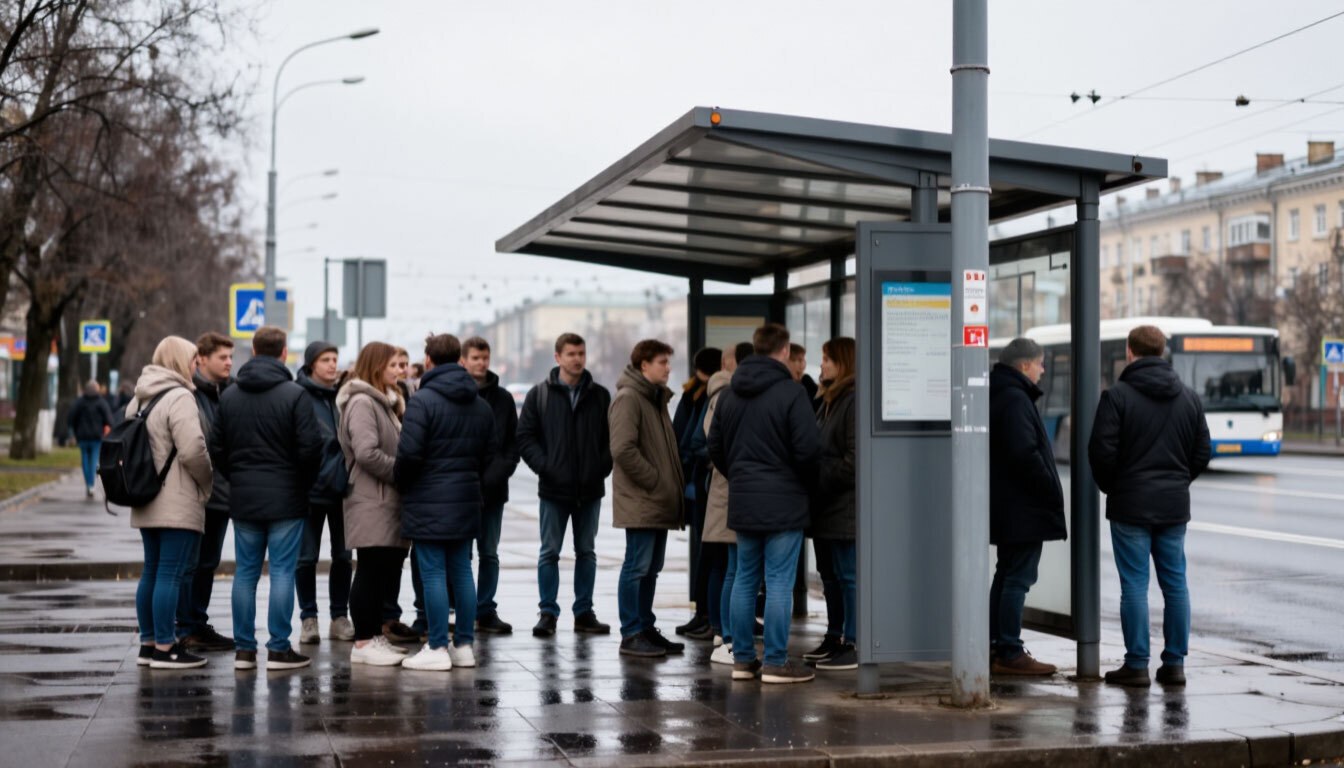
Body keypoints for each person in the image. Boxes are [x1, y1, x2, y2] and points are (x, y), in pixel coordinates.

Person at [1089, 325, 1210, 688]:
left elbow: (1100, 452)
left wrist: (1118, 488)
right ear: (1162, 352)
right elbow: (1202, 452)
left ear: (1130, 351)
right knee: (1175, 585)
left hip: (1130, 507)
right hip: (1173, 508)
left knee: (1135, 587)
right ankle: (1174, 665)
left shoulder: (1117, 396)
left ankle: (1137, 665)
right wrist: (1177, 483)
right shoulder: (1188, 397)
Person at [709, 323, 821, 684]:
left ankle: (742, 659)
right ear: (785, 351)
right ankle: (774, 661)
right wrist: (797, 482)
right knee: (778, 582)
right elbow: (808, 450)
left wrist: (741, 477)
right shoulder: (791, 393)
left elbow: (716, 449)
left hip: (744, 501)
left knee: (744, 578)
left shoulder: (729, 394)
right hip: (784, 502)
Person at [209, 325, 323, 671]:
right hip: (287, 497)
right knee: (283, 571)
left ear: (254, 352)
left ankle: (244, 650)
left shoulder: (229, 396)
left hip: (244, 497)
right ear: (284, 353)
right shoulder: (295, 395)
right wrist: (300, 482)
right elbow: (311, 449)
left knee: (245, 572)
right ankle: (278, 648)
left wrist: (238, 477)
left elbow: (216, 448)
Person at [395, 333, 497, 671]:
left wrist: (403, 481)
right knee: (463, 572)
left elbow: (409, 455)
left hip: (428, 499)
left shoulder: (422, 401)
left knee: (433, 574)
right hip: (467, 498)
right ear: (460, 359)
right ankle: (464, 645)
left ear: (428, 361)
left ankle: (437, 646)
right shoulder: (480, 404)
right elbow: (488, 454)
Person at [517, 333, 613, 637]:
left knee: (587, 551)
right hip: (553, 490)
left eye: (581, 353)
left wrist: (600, 467)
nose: (577, 359)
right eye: (571, 354)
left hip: (589, 489)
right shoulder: (539, 395)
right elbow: (525, 437)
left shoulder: (599, 395)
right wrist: (546, 467)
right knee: (549, 552)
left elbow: (611, 439)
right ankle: (548, 612)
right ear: (557, 357)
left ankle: (584, 612)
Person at [129, 337, 214, 670]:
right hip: (177, 499)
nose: (195, 365)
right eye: (192, 359)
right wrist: (207, 481)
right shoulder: (180, 396)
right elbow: (193, 449)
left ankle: (148, 644)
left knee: (151, 571)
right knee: (170, 574)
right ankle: (166, 648)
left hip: (145, 497)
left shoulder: (139, 397)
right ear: (181, 360)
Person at [987, 337, 1067, 676]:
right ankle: (1009, 650)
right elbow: (1024, 454)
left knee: (1006, 575)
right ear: (1024, 366)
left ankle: (997, 645)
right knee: (1017, 578)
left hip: (1010, 507)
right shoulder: (1016, 399)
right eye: (1040, 363)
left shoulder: (1001, 393)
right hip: (1022, 508)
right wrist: (1049, 486)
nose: (1043, 370)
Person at [610, 340, 685, 658]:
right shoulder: (629, 398)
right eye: (661, 362)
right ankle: (631, 632)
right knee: (637, 566)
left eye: (668, 362)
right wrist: (655, 482)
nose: (668, 368)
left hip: (656, 500)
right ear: (643, 365)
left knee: (651, 567)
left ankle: (645, 626)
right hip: (643, 499)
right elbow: (623, 449)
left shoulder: (656, 399)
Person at [339, 342, 411, 667]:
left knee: (383, 572)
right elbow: (366, 452)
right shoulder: (362, 402)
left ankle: (373, 635)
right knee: (369, 570)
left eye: (401, 364)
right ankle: (364, 641)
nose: (401, 370)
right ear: (376, 366)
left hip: (386, 500)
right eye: (393, 365)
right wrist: (400, 472)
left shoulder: (386, 402)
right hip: (371, 499)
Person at [176, 332, 236, 653]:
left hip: (222, 493)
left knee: (208, 562)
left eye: (231, 357)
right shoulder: (188, 393)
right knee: (190, 562)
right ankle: (186, 625)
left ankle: (197, 621)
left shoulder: (232, 392)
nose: (229, 362)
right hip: (195, 491)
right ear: (201, 358)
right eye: (222, 357)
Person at [295, 341, 355, 645]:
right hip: (309, 490)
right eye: (325, 360)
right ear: (310, 365)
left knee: (344, 556)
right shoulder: (299, 395)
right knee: (305, 558)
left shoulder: (344, 396)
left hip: (343, 489)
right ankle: (308, 618)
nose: (332, 364)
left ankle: (339, 616)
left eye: (334, 358)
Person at [461, 337, 521, 634]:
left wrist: (498, 473)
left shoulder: (503, 398)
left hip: (494, 490)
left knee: (489, 552)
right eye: (475, 358)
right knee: (462, 555)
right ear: (463, 360)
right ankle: (464, 609)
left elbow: (512, 444)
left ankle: (485, 609)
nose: (481, 363)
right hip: (460, 489)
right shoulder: (457, 394)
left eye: (485, 357)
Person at [808, 337, 859, 672]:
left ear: (843, 364)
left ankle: (853, 641)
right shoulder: (827, 400)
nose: (821, 365)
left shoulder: (852, 401)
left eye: (827, 359)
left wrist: (817, 474)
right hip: (825, 507)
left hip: (844, 506)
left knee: (847, 576)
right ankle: (835, 634)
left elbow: (855, 460)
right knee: (830, 576)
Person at [671, 347, 720, 639]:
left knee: (706, 551)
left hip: (695, 485)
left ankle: (703, 613)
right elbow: (689, 442)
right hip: (705, 484)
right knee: (711, 553)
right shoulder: (703, 398)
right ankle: (706, 615)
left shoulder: (691, 394)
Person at [703, 345, 739, 667]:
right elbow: (713, 443)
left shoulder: (721, 396)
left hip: (731, 491)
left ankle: (726, 634)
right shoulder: (725, 396)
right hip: (730, 494)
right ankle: (727, 635)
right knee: (734, 568)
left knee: (733, 568)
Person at [68, 379, 114, 497]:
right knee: (94, 459)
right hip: (96, 436)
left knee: (84, 459)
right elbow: (109, 420)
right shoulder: (101, 402)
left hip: (82, 436)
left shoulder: (80, 402)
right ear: (96, 389)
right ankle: (92, 485)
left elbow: (71, 417)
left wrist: (75, 429)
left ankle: (88, 484)